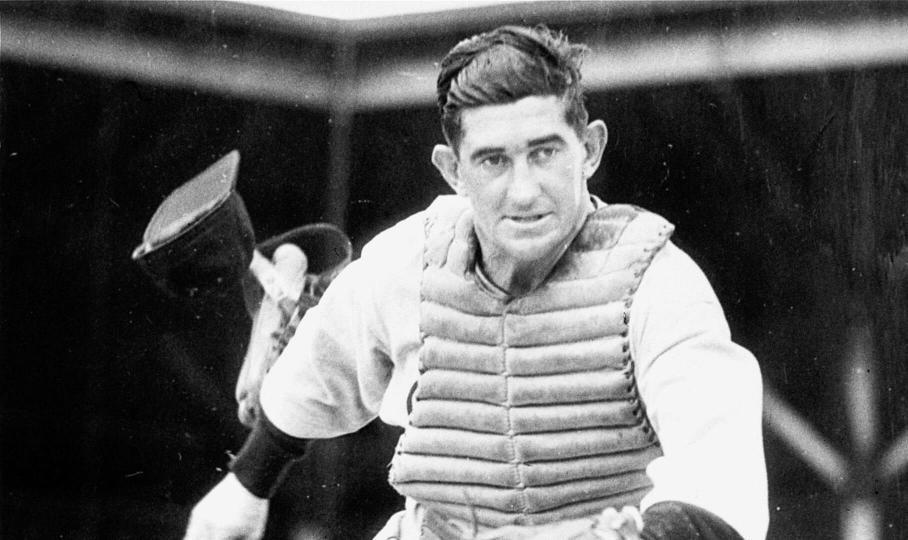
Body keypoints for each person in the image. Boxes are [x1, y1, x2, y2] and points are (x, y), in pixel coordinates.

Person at [184, 25, 768, 540]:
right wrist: (244, 487)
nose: (522, 191)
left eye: (544, 153)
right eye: (493, 161)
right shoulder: (408, 262)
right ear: (452, 170)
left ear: (588, 150)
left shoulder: (658, 285)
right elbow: (320, 367)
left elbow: (721, 478)